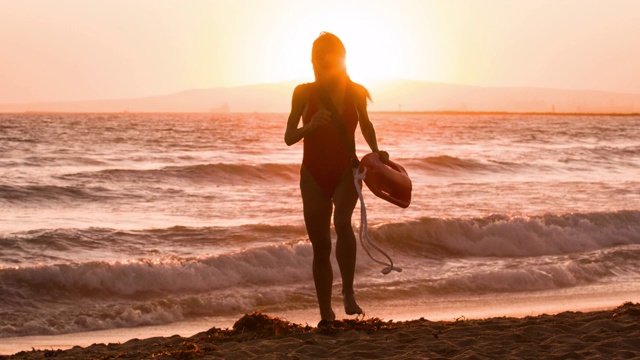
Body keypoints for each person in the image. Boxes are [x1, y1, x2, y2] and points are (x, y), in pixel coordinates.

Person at [284, 32, 389, 324]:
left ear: (338, 59)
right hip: (313, 174)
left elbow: (366, 126)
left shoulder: (356, 91)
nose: (319, 64)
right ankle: (325, 313)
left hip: (346, 170)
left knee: (342, 222)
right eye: (316, 59)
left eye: (324, 58)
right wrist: (310, 126)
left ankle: (348, 293)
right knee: (320, 246)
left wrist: (377, 151)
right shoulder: (303, 92)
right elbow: (288, 136)